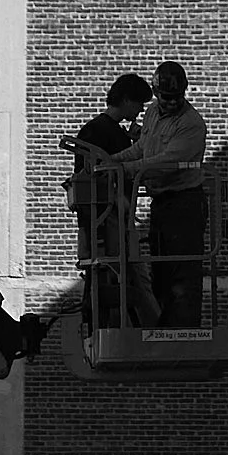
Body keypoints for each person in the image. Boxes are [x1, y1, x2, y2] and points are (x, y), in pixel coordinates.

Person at [111, 61, 208, 328]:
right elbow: (143, 147)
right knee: (162, 271)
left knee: (182, 274)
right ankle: (166, 327)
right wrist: (112, 162)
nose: (172, 103)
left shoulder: (191, 124)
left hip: (185, 204)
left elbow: (165, 163)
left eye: (177, 97)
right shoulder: (153, 114)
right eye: (166, 97)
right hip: (163, 205)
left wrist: (123, 170)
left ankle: (183, 330)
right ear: (156, 93)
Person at [62, 73, 155, 329]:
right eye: (138, 104)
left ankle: (109, 323)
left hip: (105, 219)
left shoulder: (97, 130)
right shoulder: (102, 132)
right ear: (126, 100)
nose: (140, 110)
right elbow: (97, 175)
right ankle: (149, 327)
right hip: (110, 217)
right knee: (127, 272)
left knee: (110, 273)